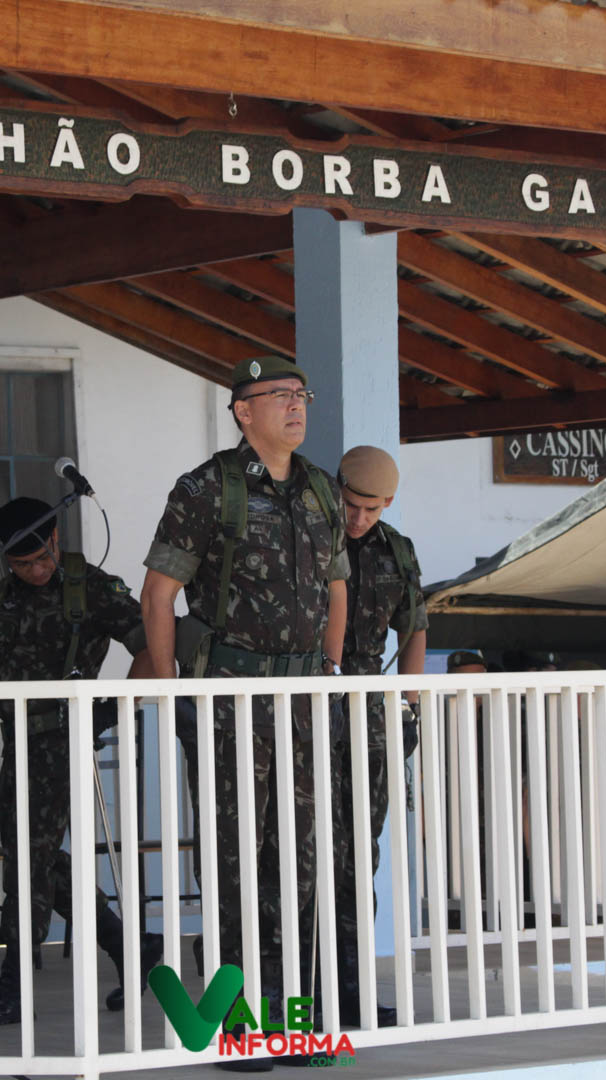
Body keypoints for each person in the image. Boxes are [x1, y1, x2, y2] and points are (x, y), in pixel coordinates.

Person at [140, 354, 347, 1049]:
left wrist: (332, 672)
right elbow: (159, 595)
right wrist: (170, 691)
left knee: (303, 866)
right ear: (243, 411)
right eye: (280, 394)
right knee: (236, 864)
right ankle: (236, 1021)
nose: (296, 404)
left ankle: (294, 1021)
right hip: (229, 703)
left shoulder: (322, 490)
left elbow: (337, 589)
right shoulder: (206, 489)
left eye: (301, 393)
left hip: (304, 705)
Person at [0, 497, 161, 1025]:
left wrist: (111, 710)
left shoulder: (90, 587)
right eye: (20, 563)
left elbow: (150, 647)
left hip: (62, 741)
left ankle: (14, 984)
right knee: (36, 857)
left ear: (55, 539)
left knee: (28, 861)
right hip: (16, 743)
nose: (35, 570)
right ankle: (127, 944)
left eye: (40, 557)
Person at [326, 444, 427, 1027]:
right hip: (311, 703)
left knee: (359, 856)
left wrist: (408, 707)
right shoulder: (313, 535)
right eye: (351, 505)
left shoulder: (398, 550)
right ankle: (306, 992)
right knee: (309, 857)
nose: (359, 518)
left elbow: (414, 629)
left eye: (372, 509)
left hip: (369, 717)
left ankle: (352, 988)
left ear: (388, 503)